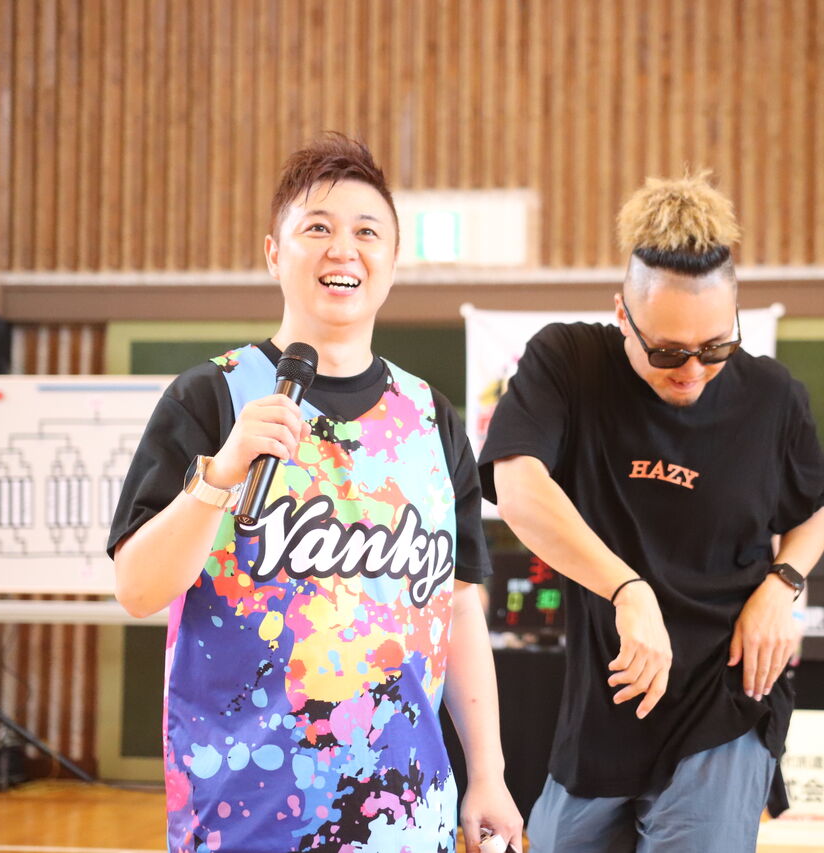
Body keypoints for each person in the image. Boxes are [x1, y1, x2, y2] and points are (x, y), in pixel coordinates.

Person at [109, 133, 522, 853]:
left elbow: (458, 607)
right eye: (318, 229)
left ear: (393, 261)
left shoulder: (432, 419)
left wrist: (488, 771)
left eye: (367, 232)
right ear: (275, 253)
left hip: (406, 819)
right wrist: (220, 474)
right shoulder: (211, 396)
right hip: (245, 819)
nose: (343, 249)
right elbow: (137, 588)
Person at [478, 172, 824, 852]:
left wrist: (782, 584)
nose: (692, 371)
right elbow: (517, 485)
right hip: (604, 705)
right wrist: (628, 589)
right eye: (668, 352)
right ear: (623, 315)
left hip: (723, 699)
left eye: (716, 348)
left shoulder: (772, 396)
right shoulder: (568, 364)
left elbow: (816, 507)